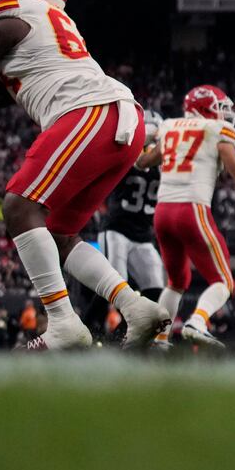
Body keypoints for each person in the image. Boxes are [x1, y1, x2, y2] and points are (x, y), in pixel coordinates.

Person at [0, 0, 166, 349]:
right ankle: (137, 307)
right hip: (120, 120)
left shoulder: (18, 16)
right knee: (60, 232)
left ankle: (63, 323)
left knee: (20, 205)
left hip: (89, 112)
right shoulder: (38, 32)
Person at [154, 85, 235, 348]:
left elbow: (146, 160)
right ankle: (198, 321)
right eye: (220, 109)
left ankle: (160, 340)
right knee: (224, 280)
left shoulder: (169, 126)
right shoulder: (216, 130)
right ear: (204, 109)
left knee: (176, 282)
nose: (224, 115)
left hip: (162, 212)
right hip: (191, 209)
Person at [95, 112, 167, 335]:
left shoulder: (163, 164)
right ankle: (89, 330)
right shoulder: (126, 153)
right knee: (115, 288)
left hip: (143, 235)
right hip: (117, 230)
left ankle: (122, 336)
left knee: (157, 294)